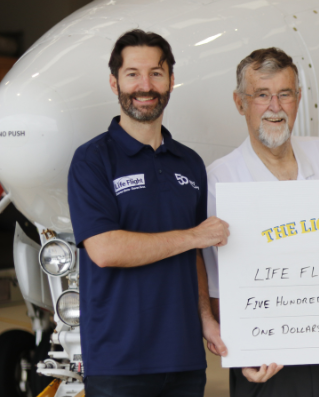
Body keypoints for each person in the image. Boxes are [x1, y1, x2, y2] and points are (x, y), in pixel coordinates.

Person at [198, 47, 319, 397]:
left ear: (299, 98)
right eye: (261, 95)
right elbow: (218, 285)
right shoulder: (220, 179)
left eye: (285, 94)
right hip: (267, 362)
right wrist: (242, 350)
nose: (275, 106)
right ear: (239, 102)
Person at [67, 29, 230, 396]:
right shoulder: (92, 160)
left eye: (156, 73)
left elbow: (195, 258)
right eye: (132, 74)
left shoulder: (189, 163)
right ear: (114, 83)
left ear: (171, 81)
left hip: (184, 358)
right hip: (119, 362)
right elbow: (106, 250)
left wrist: (206, 321)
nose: (145, 85)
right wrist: (194, 235)